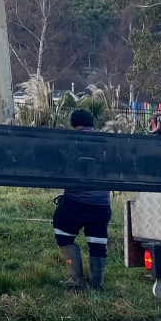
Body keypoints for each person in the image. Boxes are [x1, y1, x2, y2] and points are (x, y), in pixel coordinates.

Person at [53, 108, 111, 291]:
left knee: (62, 233)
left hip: (76, 203)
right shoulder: (106, 143)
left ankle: (75, 280)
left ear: (74, 124)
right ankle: (97, 284)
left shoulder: (72, 142)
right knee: (97, 242)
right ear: (91, 125)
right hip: (102, 205)